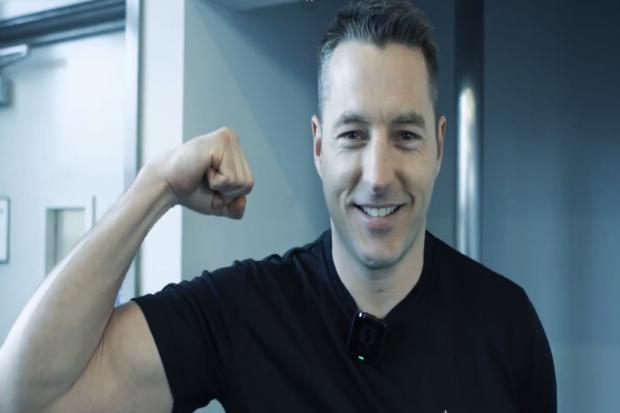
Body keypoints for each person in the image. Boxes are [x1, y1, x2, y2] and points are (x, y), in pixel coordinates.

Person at [0, 0, 556, 412]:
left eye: (406, 135)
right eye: (352, 135)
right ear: (318, 146)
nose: (378, 176)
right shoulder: (247, 312)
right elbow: (30, 398)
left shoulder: (507, 325)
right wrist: (157, 186)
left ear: (439, 145)